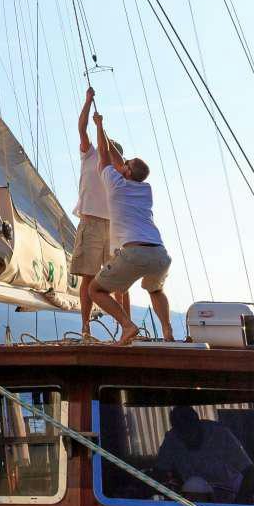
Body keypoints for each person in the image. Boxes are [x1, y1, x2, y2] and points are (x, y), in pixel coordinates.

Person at [90, 108, 176, 345]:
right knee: (156, 290)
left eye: (126, 164)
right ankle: (168, 331)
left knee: (95, 290)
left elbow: (105, 155)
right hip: (160, 254)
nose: (123, 162)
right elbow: (119, 160)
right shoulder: (145, 189)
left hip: (134, 251)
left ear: (127, 172)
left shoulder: (115, 183)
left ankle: (127, 326)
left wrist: (98, 126)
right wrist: (104, 133)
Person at [71, 87, 118, 342]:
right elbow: (82, 128)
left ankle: (125, 328)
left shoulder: (117, 168)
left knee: (119, 279)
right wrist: (88, 101)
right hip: (89, 220)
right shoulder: (89, 154)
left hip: (113, 225)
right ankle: (85, 328)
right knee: (88, 277)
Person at [153, 405, 254, 504]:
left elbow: (252, 475)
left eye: (189, 428)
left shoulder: (220, 435)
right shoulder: (172, 439)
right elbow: (158, 474)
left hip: (231, 497)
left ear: (197, 423)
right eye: (180, 430)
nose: (186, 435)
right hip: (194, 503)